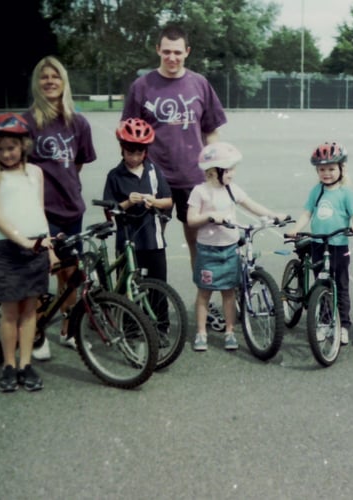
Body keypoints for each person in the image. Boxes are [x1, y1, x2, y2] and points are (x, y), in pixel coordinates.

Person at [121, 24, 227, 272]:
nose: (172, 57)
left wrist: (218, 169)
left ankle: (204, 303)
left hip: (193, 177)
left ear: (187, 52)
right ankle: (148, 303)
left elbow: (211, 131)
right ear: (158, 49)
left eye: (178, 52)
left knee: (199, 244)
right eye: (167, 51)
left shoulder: (199, 84)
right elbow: (128, 135)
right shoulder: (142, 86)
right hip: (154, 180)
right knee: (150, 246)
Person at [23, 56, 97, 359]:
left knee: (69, 275)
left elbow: (77, 163)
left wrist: (65, 186)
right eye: (44, 77)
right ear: (37, 84)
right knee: (41, 273)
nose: (50, 81)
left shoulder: (77, 122)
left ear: (64, 82)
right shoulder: (27, 122)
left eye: (56, 76)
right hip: (41, 211)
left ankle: (68, 329)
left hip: (71, 210)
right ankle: (37, 331)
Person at [186, 142, 286, 352]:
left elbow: (251, 205)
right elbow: (191, 219)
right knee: (204, 293)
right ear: (214, 171)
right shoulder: (200, 192)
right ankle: (201, 333)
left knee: (229, 292)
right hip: (208, 251)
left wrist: (273, 215)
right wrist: (210, 216)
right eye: (229, 169)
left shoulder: (232, 190)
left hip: (229, 249)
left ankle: (230, 332)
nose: (233, 173)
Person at [0, 113, 52, 392]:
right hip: (9, 249)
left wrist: (48, 245)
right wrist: (23, 242)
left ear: (23, 145)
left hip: (36, 246)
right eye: (0, 149)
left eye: (11, 147)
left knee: (30, 310)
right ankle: (8, 365)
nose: (6, 153)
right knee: (11, 311)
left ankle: (26, 364)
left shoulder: (35, 173)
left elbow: (39, 210)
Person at [286, 142, 353, 345]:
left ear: (341, 169)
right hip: (318, 244)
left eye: (331, 169)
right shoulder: (317, 190)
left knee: (340, 286)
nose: (327, 173)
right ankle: (323, 321)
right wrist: (296, 227)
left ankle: (343, 325)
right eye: (322, 169)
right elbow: (307, 213)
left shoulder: (346, 193)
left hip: (338, 245)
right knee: (321, 284)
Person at [103, 118, 173, 282]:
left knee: (158, 289)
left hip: (153, 241)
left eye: (139, 153)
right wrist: (128, 202)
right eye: (130, 153)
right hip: (127, 241)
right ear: (122, 149)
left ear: (145, 152)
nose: (134, 158)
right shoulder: (115, 175)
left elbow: (168, 201)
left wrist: (154, 202)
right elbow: (109, 211)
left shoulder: (154, 171)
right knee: (128, 289)